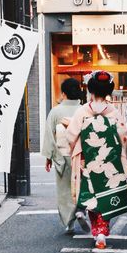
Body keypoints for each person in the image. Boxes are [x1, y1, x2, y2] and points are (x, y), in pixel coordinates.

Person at [67, 71, 127, 249]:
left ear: (90, 90)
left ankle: (83, 213)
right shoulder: (114, 112)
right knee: (106, 196)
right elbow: (124, 136)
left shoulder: (82, 112)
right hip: (109, 162)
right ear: (109, 91)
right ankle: (101, 233)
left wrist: (77, 148)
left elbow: (71, 136)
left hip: (87, 162)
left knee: (91, 194)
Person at [41, 78, 84, 234]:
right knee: (83, 186)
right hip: (82, 156)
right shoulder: (84, 109)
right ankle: (81, 210)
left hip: (63, 155)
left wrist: (49, 157)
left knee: (65, 190)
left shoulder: (56, 111)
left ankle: (69, 222)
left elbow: (49, 136)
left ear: (63, 93)